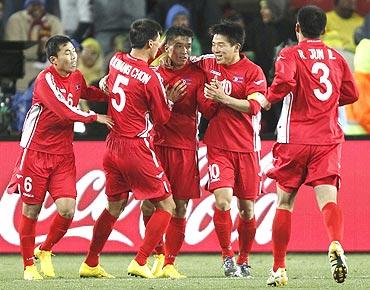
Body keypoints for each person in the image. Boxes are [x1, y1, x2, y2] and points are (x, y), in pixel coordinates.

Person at [254, 5, 359, 286]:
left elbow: (285, 81)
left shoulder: (289, 54)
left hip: (294, 139)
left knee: (285, 202)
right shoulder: (336, 57)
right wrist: (325, 103)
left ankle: (278, 269)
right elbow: (352, 93)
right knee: (329, 200)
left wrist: (267, 99)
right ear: (324, 30)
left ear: (297, 28)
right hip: (327, 138)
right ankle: (335, 242)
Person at [79, 19, 182, 279]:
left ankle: (90, 263)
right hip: (135, 145)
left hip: (112, 144)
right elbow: (161, 118)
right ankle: (140, 260)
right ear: (150, 43)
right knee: (167, 205)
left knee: (114, 206)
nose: (161, 45)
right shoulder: (151, 77)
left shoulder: (116, 60)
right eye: (159, 40)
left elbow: (111, 83)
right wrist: (170, 99)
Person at [5, 35, 114, 280]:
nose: (73, 56)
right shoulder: (45, 80)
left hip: (63, 155)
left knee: (67, 210)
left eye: (73, 51)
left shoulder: (76, 77)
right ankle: (28, 267)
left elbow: (86, 91)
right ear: (53, 60)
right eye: (66, 52)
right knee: (31, 211)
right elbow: (64, 110)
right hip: (36, 154)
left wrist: (111, 91)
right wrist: (94, 117)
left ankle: (44, 250)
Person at [140, 25, 218, 279]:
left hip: (185, 147)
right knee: (149, 206)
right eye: (179, 46)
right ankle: (159, 254)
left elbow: (207, 110)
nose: (185, 51)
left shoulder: (197, 74)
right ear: (166, 47)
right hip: (157, 145)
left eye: (188, 46)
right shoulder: (153, 73)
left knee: (180, 207)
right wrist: (168, 100)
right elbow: (150, 113)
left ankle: (170, 263)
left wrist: (214, 96)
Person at [191, 21, 267, 277]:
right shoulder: (207, 62)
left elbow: (254, 106)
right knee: (222, 202)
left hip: (247, 148)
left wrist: (223, 99)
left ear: (236, 46)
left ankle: (244, 258)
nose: (216, 50)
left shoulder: (253, 72)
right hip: (218, 147)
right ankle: (226, 256)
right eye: (213, 45)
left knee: (247, 209)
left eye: (221, 45)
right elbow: (177, 58)